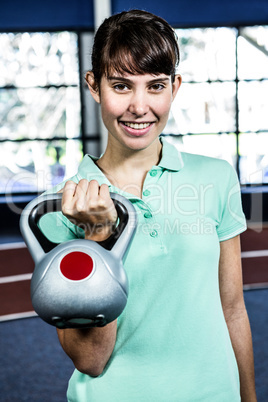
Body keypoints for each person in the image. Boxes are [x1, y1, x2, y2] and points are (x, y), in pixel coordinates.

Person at [39, 9, 257, 402]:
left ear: (174, 86)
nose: (140, 106)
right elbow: (90, 358)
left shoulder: (216, 178)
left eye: (155, 86)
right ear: (94, 86)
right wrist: (101, 238)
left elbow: (234, 311)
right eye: (121, 86)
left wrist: (249, 397)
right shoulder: (64, 210)